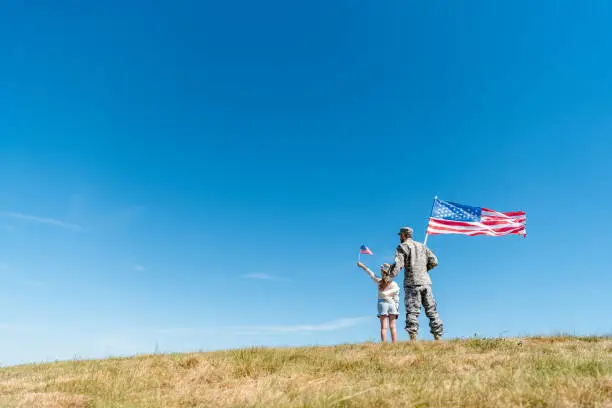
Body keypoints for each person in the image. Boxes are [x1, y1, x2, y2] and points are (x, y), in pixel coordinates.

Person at [383, 226, 443, 341]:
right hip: (426, 283)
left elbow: (397, 265)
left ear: (403, 235)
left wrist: (387, 280)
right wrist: (424, 270)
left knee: (412, 311)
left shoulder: (402, 247)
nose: (400, 237)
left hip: (412, 284)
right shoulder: (423, 246)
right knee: (431, 310)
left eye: (400, 235)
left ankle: (412, 338)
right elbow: (435, 261)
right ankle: (437, 336)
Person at [357, 261, 400, 343]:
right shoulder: (394, 284)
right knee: (393, 327)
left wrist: (362, 266)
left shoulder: (379, 281)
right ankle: (395, 344)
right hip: (392, 304)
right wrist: (396, 307)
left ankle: (384, 344)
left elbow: (371, 273)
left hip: (382, 304)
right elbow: (396, 296)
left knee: (384, 327)